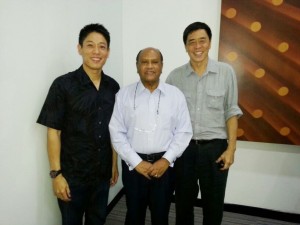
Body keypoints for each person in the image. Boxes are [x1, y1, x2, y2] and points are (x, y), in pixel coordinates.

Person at [36, 23, 120, 225]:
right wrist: (56, 175)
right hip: (72, 176)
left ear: (108, 51)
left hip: (101, 174)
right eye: (90, 45)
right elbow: (53, 132)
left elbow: (115, 129)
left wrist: (114, 164)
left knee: (98, 220)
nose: (96, 51)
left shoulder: (113, 87)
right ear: (79, 48)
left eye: (102, 46)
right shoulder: (63, 85)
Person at [166, 22, 243, 225]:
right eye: (192, 42)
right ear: (185, 46)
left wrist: (231, 150)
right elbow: (168, 117)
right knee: (182, 203)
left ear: (209, 43)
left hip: (215, 149)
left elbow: (231, 112)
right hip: (185, 150)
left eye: (202, 41)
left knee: (214, 204)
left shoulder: (226, 72)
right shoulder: (175, 77)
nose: (197, 46)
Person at [109, 47, 192, 225]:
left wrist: (166, 160)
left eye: (154, 62)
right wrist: (136, 162)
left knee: (161, 216)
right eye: (144, 62)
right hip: (134, 167)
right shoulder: (123, 95)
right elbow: (116, 132)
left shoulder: (175, 95)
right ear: (137, 66)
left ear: (162, 66)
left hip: (165, 167)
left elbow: (183, 131)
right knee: (134, 215)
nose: (149, 66)